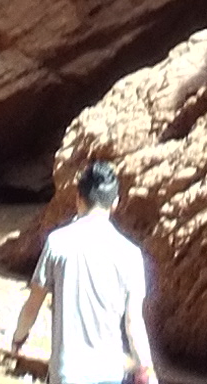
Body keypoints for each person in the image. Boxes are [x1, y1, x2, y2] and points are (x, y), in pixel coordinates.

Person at [12, 160, 156, 384]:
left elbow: (33, 303)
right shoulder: (130, 254)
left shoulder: (57, 243)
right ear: (115, 203)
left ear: (78, 199)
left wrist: (19, 338)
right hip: (109, 374)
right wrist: (144, 369)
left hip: (67, 374)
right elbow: (133, 322)